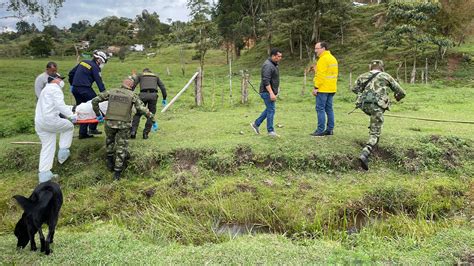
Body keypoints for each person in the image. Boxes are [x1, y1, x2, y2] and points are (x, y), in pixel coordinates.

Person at [91, 77, 157, 180]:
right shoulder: (132, 95)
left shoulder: (111, 92)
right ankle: (117, 173)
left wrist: (98, 114)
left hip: (109, 122)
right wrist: (152, 119)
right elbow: (142, 108)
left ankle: (109, 162)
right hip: (124, 124)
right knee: (121, 147)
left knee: (109, 141)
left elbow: (95, 101)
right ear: (131, 86)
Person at [352, 60, 406, 170]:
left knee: (374, 119)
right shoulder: (385, 76)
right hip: (377, 106)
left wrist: (365, 92)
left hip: (363, 105)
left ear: (370, 67)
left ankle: (373, 128)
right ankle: (365, 153)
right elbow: (401, 92)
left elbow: (354, 89)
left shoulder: (363, 76)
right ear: (382, 68)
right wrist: (397, 97)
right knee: (375, 132)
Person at [35, 74, 76, 183]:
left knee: (47, 146)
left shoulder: (45, 90)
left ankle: (44, 175)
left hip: (40, 122)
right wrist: (72, 116)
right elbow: (60, 106)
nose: (62, 81)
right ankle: (63, 153)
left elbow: (55, 106)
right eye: (60, 79)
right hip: (50, 120)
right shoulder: (55, 89)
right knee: (69, 127)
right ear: (55, 80)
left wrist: (72, 108)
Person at [68, 50, 108, 139]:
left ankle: (82, 133)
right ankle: (92, 128)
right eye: (103, 62)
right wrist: (105, 95)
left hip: (75, 89)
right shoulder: (95, 67)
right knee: (96, 105)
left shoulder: (83, 62)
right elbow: (99, 82)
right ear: (99, 60)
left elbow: (71, 73)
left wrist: (72, 84)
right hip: (85, 89)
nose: (102, 64)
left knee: (82, 110)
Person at [250, 48, 282, 137]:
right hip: (266, 92)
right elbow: (266, 80)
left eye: (280, 56)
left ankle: (256, 124)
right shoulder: (268, 65)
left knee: (269, 109)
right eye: (278, 56)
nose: (280, 58)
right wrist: (271, 93)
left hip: (270, 91)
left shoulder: (274, 64)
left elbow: (274, 79)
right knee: (271, 110)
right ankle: (270, 131)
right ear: (273, 56)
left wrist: (277, 89)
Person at [311, 41, 338, 137]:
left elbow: (321, 75)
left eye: (317, 49)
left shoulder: (323, 59)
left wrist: (316, 87)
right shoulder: (333, 58)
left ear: (323, 48)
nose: (315, 51)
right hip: (332, 88)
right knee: (329, 109)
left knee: (320, 109)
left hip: (323, 89)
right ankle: (330, 129)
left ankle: (320, 130)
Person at [130, 68, 167, 139]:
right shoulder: (156, 76)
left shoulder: (140, 75)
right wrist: (164, 98)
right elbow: (163, 87)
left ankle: (133, 131)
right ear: (150, 72)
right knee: (151, 114)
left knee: (138, 113)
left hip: (142, 95)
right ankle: (145, 134)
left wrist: (130, 93)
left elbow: (133, 85)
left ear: (144, 72)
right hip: (153, 96)